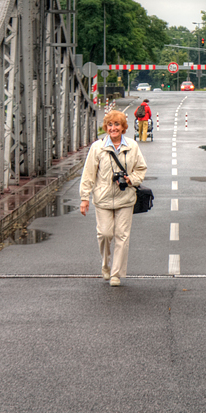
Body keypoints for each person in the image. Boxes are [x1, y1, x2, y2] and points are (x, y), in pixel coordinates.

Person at [79, 109, 147, 286]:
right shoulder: (98, 147)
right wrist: (84, 197)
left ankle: (116, 274)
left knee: (122, 236)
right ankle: (105, 265)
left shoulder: (132, 146)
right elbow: (88, 174)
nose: (113, 128)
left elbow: (141, 168)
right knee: (104, 234)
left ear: (123, 127)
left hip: (125, 198)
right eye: (110, 125)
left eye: (117, 124)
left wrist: (130, 179)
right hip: (103, 198)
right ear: (106, 127)